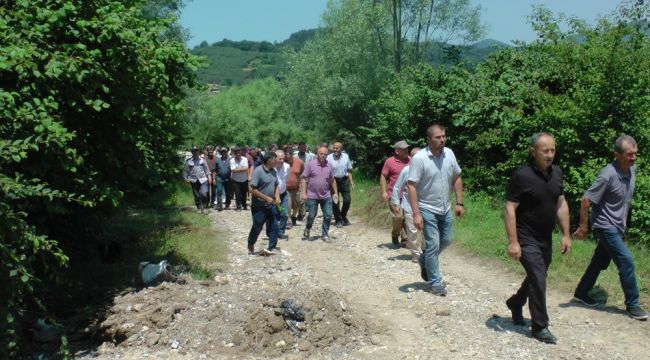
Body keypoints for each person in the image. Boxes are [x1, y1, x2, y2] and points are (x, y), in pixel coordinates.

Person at [504, 132, 571, 344]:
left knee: (537, 276)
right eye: (545, 151)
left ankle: (516, 303)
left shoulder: (557, 173)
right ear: (533, 152)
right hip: (526, 237)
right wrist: (513, 241)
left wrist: (566, 234)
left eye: (552, 150)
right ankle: (540, 326)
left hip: (545, 237)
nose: (550, 155)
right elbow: (509, 208)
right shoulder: (521, 176)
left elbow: (561, 204)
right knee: (539, 276)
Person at [572, 134, 647, 321]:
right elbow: (586, 199)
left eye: (635, 154)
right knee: (626, 261)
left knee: (599, 261)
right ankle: (633, 305)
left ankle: (581, 293)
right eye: (629, 154)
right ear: (617, 154)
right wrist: (583, 227)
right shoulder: (608, 174)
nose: (633, 158)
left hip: (617, 225)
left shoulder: (632, 170)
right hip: (605, 225)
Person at [407, 124, 463, 297]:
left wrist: (459, 202)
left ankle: (425, 260)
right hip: (427, 207)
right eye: (438, 137)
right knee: (433, 244)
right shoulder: (420, 159)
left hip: (444, 207)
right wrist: (416, 213)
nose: (442, 140)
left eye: (444, 136)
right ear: (429, 139)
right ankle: (435, 282)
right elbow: (411, 186)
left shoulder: (450, 154)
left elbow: (457, 176)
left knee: (446, 240)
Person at [301, 144, 338, 242]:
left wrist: (335, 193)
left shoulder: (329, 165)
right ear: (317, 154)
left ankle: (325, 234)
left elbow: (332, 180)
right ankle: (308, 227)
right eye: (321, 154)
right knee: (312, 215)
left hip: (326, 195)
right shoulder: (311, 164)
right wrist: (304, 193)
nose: (323, 156)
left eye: (325, 154)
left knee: (328, 215)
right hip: (312, 195)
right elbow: (304, 179)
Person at [247, 152, 281, 256]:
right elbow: (252, 189)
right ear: (269, 160)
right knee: (257, 226)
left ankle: (272, 247)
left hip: (271, 205)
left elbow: (276, 185)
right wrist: (265, 198)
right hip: (259, 206)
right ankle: (251, 242)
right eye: (275, 159)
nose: (277, 161)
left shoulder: (273, 171)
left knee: (274, 225)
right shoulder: (258, 171)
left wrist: (277, 196)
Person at [391, 147, 421, 262]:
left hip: (425, 205)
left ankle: (425, 251)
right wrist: (396, 203)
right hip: (409, 205)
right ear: (411, 158)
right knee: (412, 231)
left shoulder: (427, 168)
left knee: (425, 230)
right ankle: (416, 254)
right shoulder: (406, 170)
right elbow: (397, 187)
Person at [381, 140, 411, 248]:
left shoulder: (411, 160)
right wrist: (384, 191)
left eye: (407, 148)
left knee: (407, 218)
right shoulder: (390, 162)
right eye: (404, 149)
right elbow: (383, 176)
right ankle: (395, 235)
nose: (407, 150)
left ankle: (405, 240)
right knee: (398, 217)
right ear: (397, 151)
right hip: (394, 195)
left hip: (408, 195)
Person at [327, 142, 354, 227]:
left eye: (337, 148)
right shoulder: (329, 157)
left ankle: (343, 215)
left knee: (347, 200)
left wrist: (352, 181)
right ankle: (338, 220)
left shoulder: (346, 156)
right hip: (333, 180)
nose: (335, 150)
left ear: (341, 149)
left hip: (344, 180)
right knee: (335, 201)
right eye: (334, 148)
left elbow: (349, 170)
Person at [183, 146, 211, 213]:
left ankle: (204, 206)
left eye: (196, 151)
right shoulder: (189, 161)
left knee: (204, 193)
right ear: (192, 152)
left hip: (203, 179)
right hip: (193, 180)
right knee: (196, 195)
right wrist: (185, 178)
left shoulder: (202, 160)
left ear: (198, 152)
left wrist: (209, 177)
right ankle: (198, 207)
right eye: (194, 151)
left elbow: (207, 170)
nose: (195, 152)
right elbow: (185, 171)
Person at [284, 147, 305, 227]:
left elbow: (303, 173)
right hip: (286, 189)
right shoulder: (282, 163)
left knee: (298, 204)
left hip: (296, 188)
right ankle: (288, 220)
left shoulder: (299, 162)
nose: (287, 158)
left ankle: (293, 216)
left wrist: (303, 187)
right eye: (286, 156)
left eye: (288, 156)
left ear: (292, 155)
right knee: (288, 205)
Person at [273, 149, 290, 240]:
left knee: (284, 213)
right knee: (274, 214)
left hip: (283, 194)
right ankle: (272, 232)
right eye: (280, 159)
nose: (282, 160)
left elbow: (286, 179)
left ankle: (281, 232)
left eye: (283, 159)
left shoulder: (287, 167)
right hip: (272, 195)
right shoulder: (270, 168)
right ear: (275, 158)